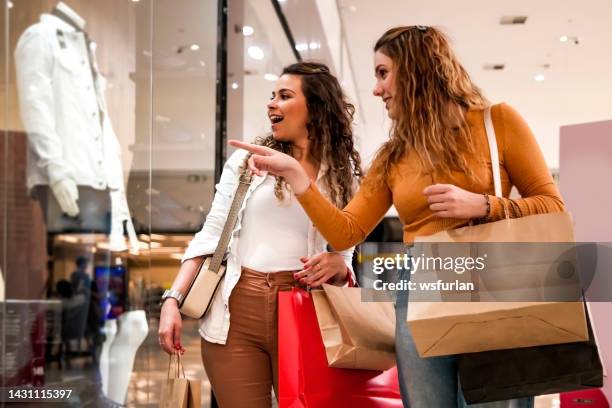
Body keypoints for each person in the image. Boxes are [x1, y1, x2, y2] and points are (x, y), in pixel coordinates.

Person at [230, 26, 565, 407]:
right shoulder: (393, 155)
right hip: (420, 284)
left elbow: (552, 206)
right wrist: (295, 174)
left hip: (492, 281)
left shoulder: (496, 121)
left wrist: (485, 205)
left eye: (383, 73)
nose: (376, 88)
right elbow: (345, 232)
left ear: (416, 70)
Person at [158, 62, 362, 407]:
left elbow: (344, 253)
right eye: (272, 96)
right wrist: (171, 301)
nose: (272, 104)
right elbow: (210, 236)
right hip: (236, 310)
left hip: (306, 311)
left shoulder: (343, 175)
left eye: (284, 96)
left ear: (316, 107)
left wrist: (339, 266)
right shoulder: (247, 163)